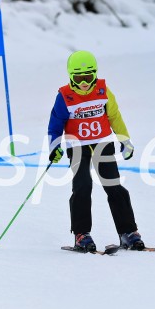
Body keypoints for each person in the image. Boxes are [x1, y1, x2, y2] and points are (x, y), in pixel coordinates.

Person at [47, 50, 146, 252]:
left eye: (88, 76)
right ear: (70, 76)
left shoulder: (103, 91)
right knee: (83, 186)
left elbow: (115, 117)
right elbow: (55, 125)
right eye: (78, 77)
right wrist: (54, 147)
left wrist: (125, 140)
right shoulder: (64, 97)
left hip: (102, 143)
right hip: (77, 146)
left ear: (95, 74)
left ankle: (128, 233)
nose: (84, 82)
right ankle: (82, 235)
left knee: (114, 186)